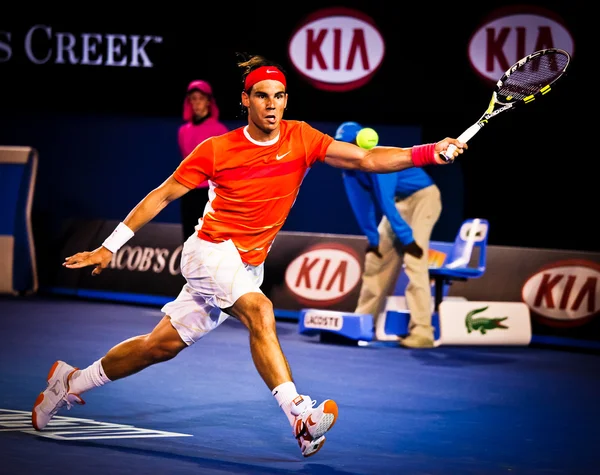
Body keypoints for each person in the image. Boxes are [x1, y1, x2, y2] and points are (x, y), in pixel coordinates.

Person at [31, 53, 466, 457]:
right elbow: (162, 195)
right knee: (261, 311)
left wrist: (429, 152)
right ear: (246, 100)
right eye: (262, 96)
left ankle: (68, 381)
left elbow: (366, 160)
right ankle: (299, 414)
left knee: (158, 346)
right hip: (209, 251)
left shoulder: (302, 137)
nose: (272, 105)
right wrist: (109, 246)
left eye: (279, 96)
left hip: (246, 264)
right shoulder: (217, 150)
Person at [336, 122, 442, 348]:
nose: (344, 150)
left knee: (415, 259)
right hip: (397, 205)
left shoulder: (379, 155)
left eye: (348, 145)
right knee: (376, 259)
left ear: (360, 142)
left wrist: (408, 240)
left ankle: (423, 333)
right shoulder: (348, 168)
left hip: (423, 197)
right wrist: (373, 240)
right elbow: (361, 206)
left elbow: (384, 201)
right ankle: (360, 325)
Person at [178, 80, 229, 242]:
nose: (197, 102)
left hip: (209, 193)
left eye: (201, 98)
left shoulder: (219, 130)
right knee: (188, 238)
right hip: (187, 191)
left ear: (208, 101)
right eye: (193, 98)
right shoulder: (183, 131)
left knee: (208, 240)